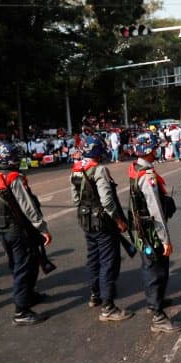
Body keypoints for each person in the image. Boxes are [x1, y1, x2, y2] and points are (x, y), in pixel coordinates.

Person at [0, 142, 52, 326]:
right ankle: (21, 310)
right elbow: (27, 207)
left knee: (18, 264)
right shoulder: (13, 178)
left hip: (3, 228)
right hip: (18, 228)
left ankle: (29, 295)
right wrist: (42, 228)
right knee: (24, 267)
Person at [69, 135, 133, 322]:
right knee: (108, 261)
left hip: (86, 220)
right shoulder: (99, 170)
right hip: (103, 222)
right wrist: (118, 220)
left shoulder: (76, 170)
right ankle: (108, 307)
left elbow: (75, 199)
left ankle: (95, 294)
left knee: (93, 257)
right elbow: (107, 200)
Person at [128, 132, 181, 333]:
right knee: (156, 270)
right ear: (150, 150)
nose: (158, 149)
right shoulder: (147, 176)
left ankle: (156, 301)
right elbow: (156, 211)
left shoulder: (136, 169)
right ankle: (158, 315)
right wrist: (165, 239)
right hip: (151, 230)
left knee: (150, 267)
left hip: (142, 228)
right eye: (155, 147)